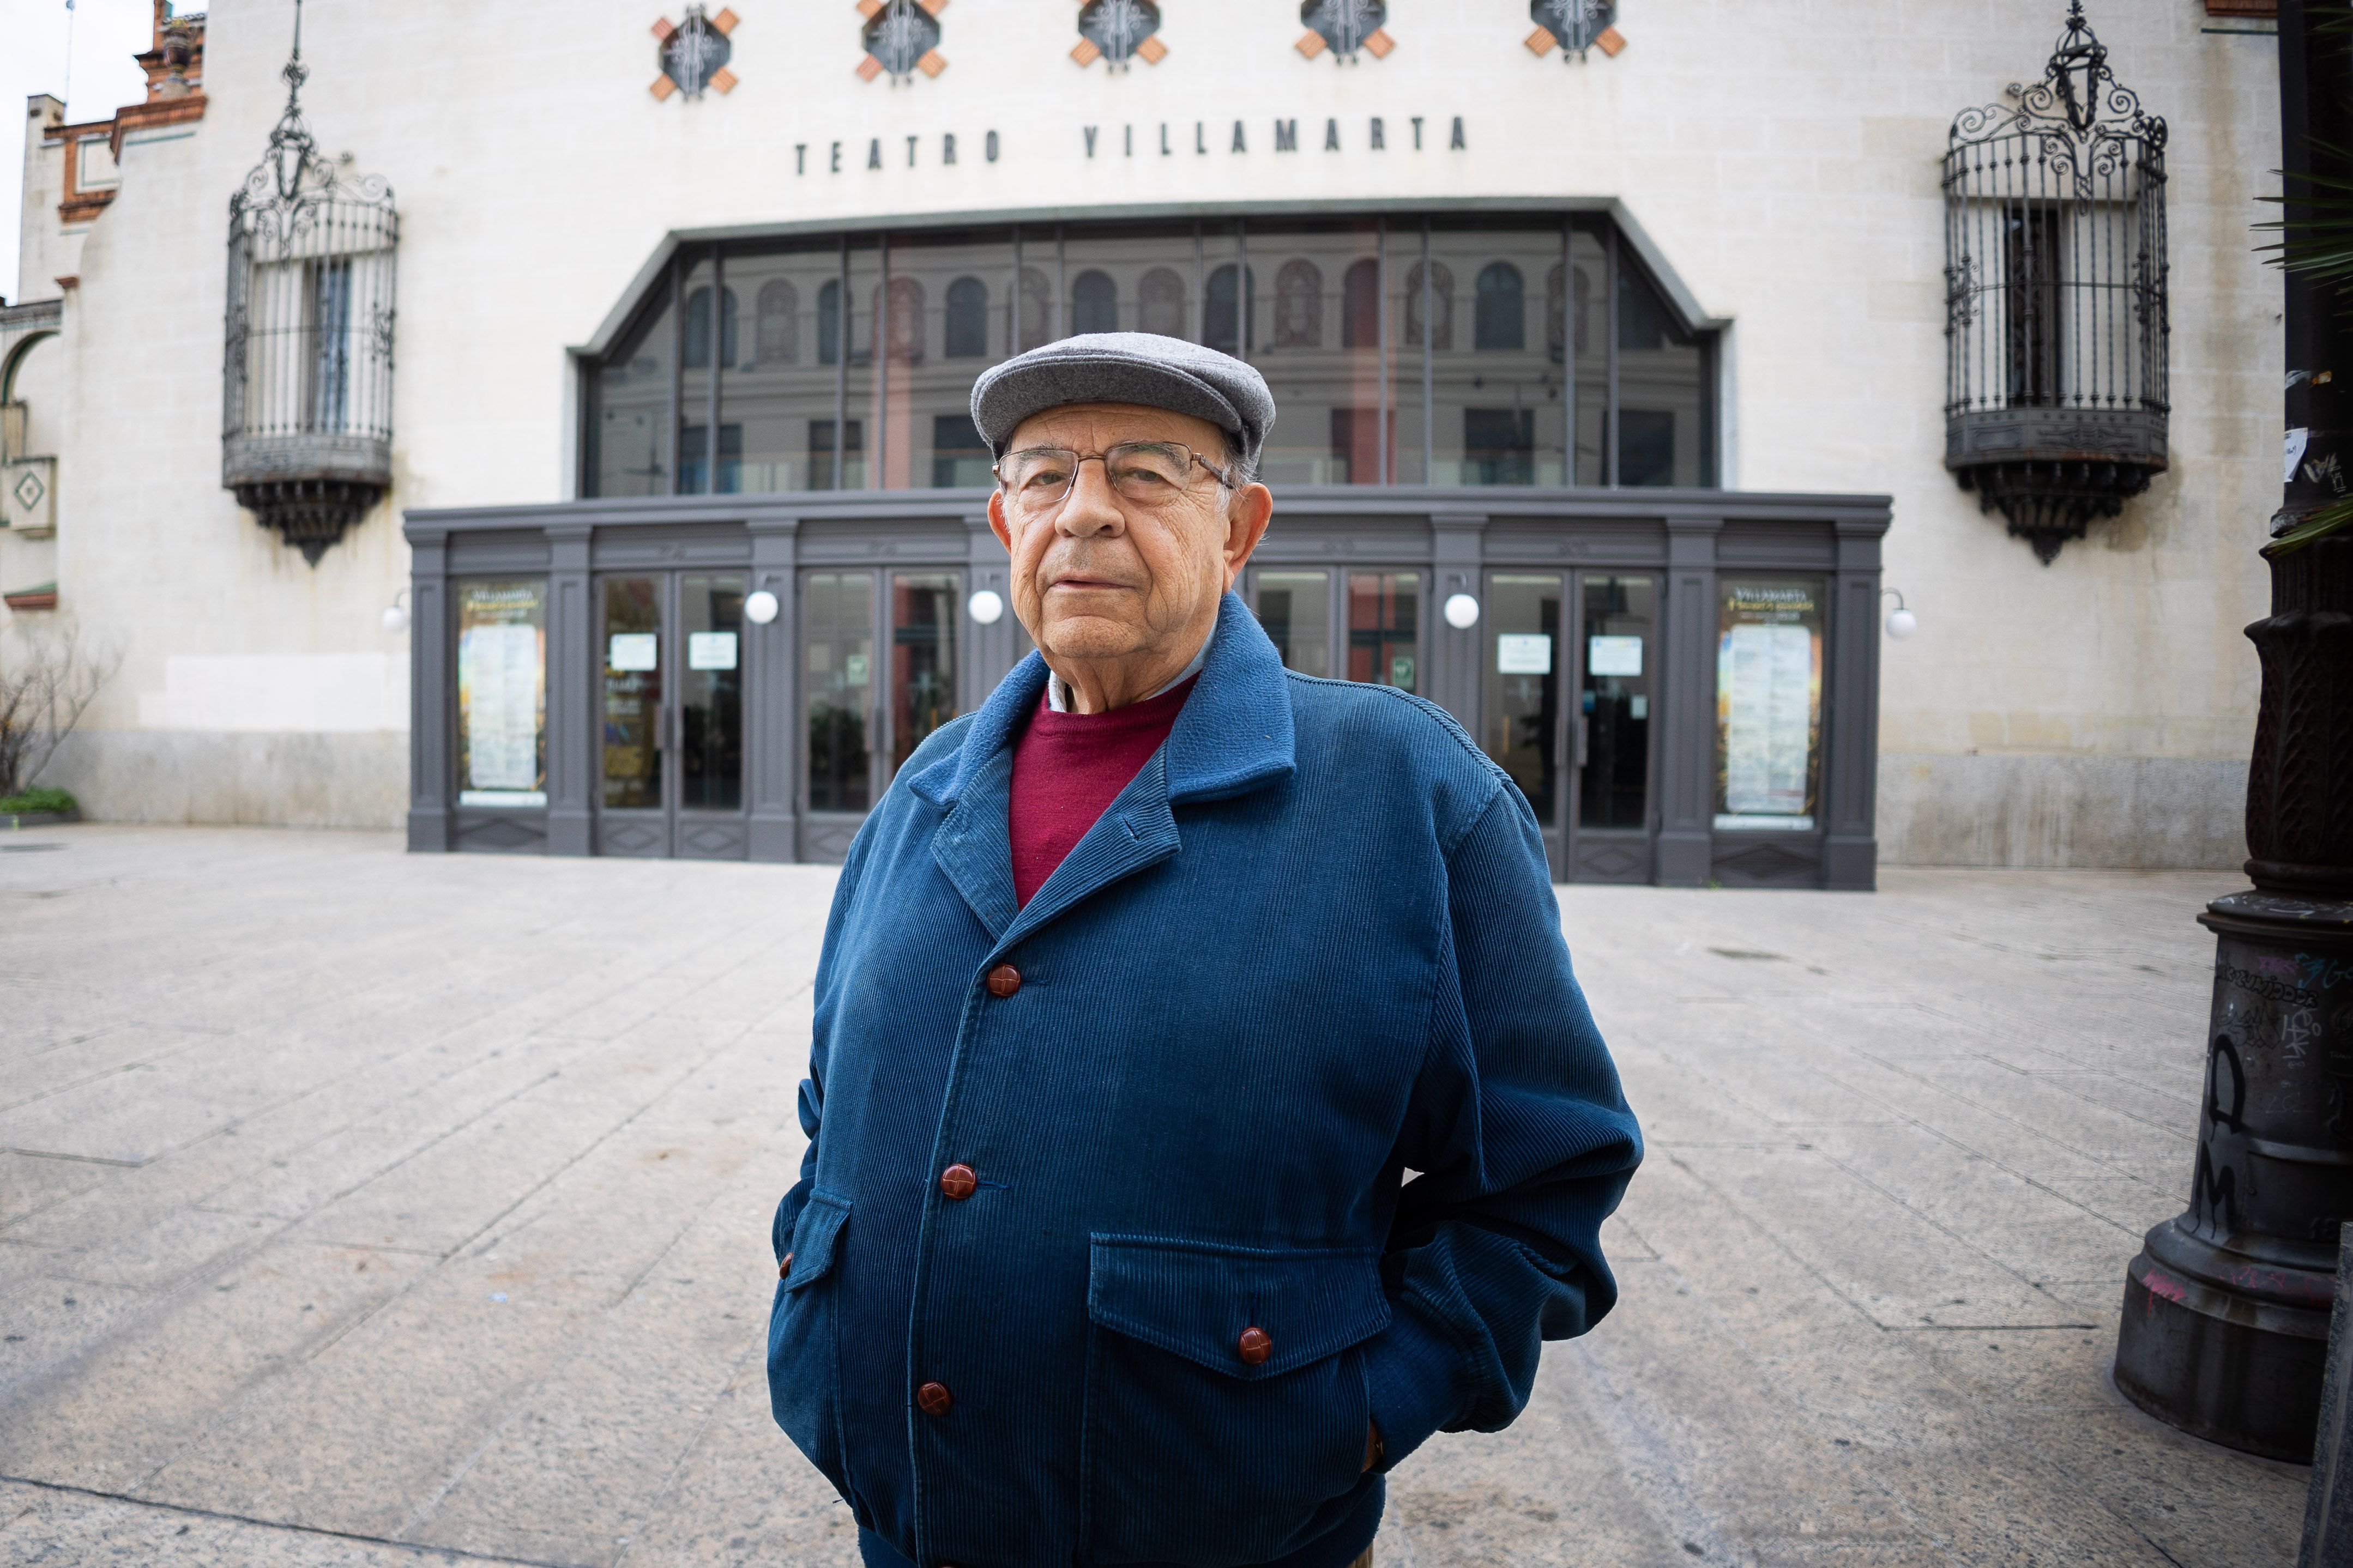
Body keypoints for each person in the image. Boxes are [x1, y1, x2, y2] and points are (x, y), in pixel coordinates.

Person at [767, 332, 1641, 1568]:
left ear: (1240, 529)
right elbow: (831, 1103)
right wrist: (814, 1278)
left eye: (1145, 473)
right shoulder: (925, 786)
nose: (1084, 516)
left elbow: (1545, 1179)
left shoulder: (1403, 789)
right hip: (907, 1530)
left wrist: (1357, 1413)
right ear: (999, 518)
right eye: (1042, 477)